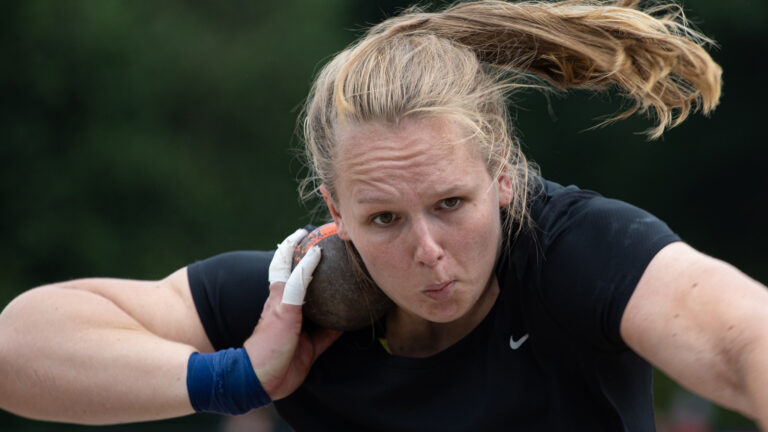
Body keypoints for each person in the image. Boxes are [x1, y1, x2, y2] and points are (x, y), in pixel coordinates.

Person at [1, 0, 767, 430]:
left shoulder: (578, 251)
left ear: (503, 176)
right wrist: (235, 376)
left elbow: (743, 342)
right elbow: (17, 350)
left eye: (450, 205)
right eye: (385, 221)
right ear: (334, 212)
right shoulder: (296, 303)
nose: (430, 251)